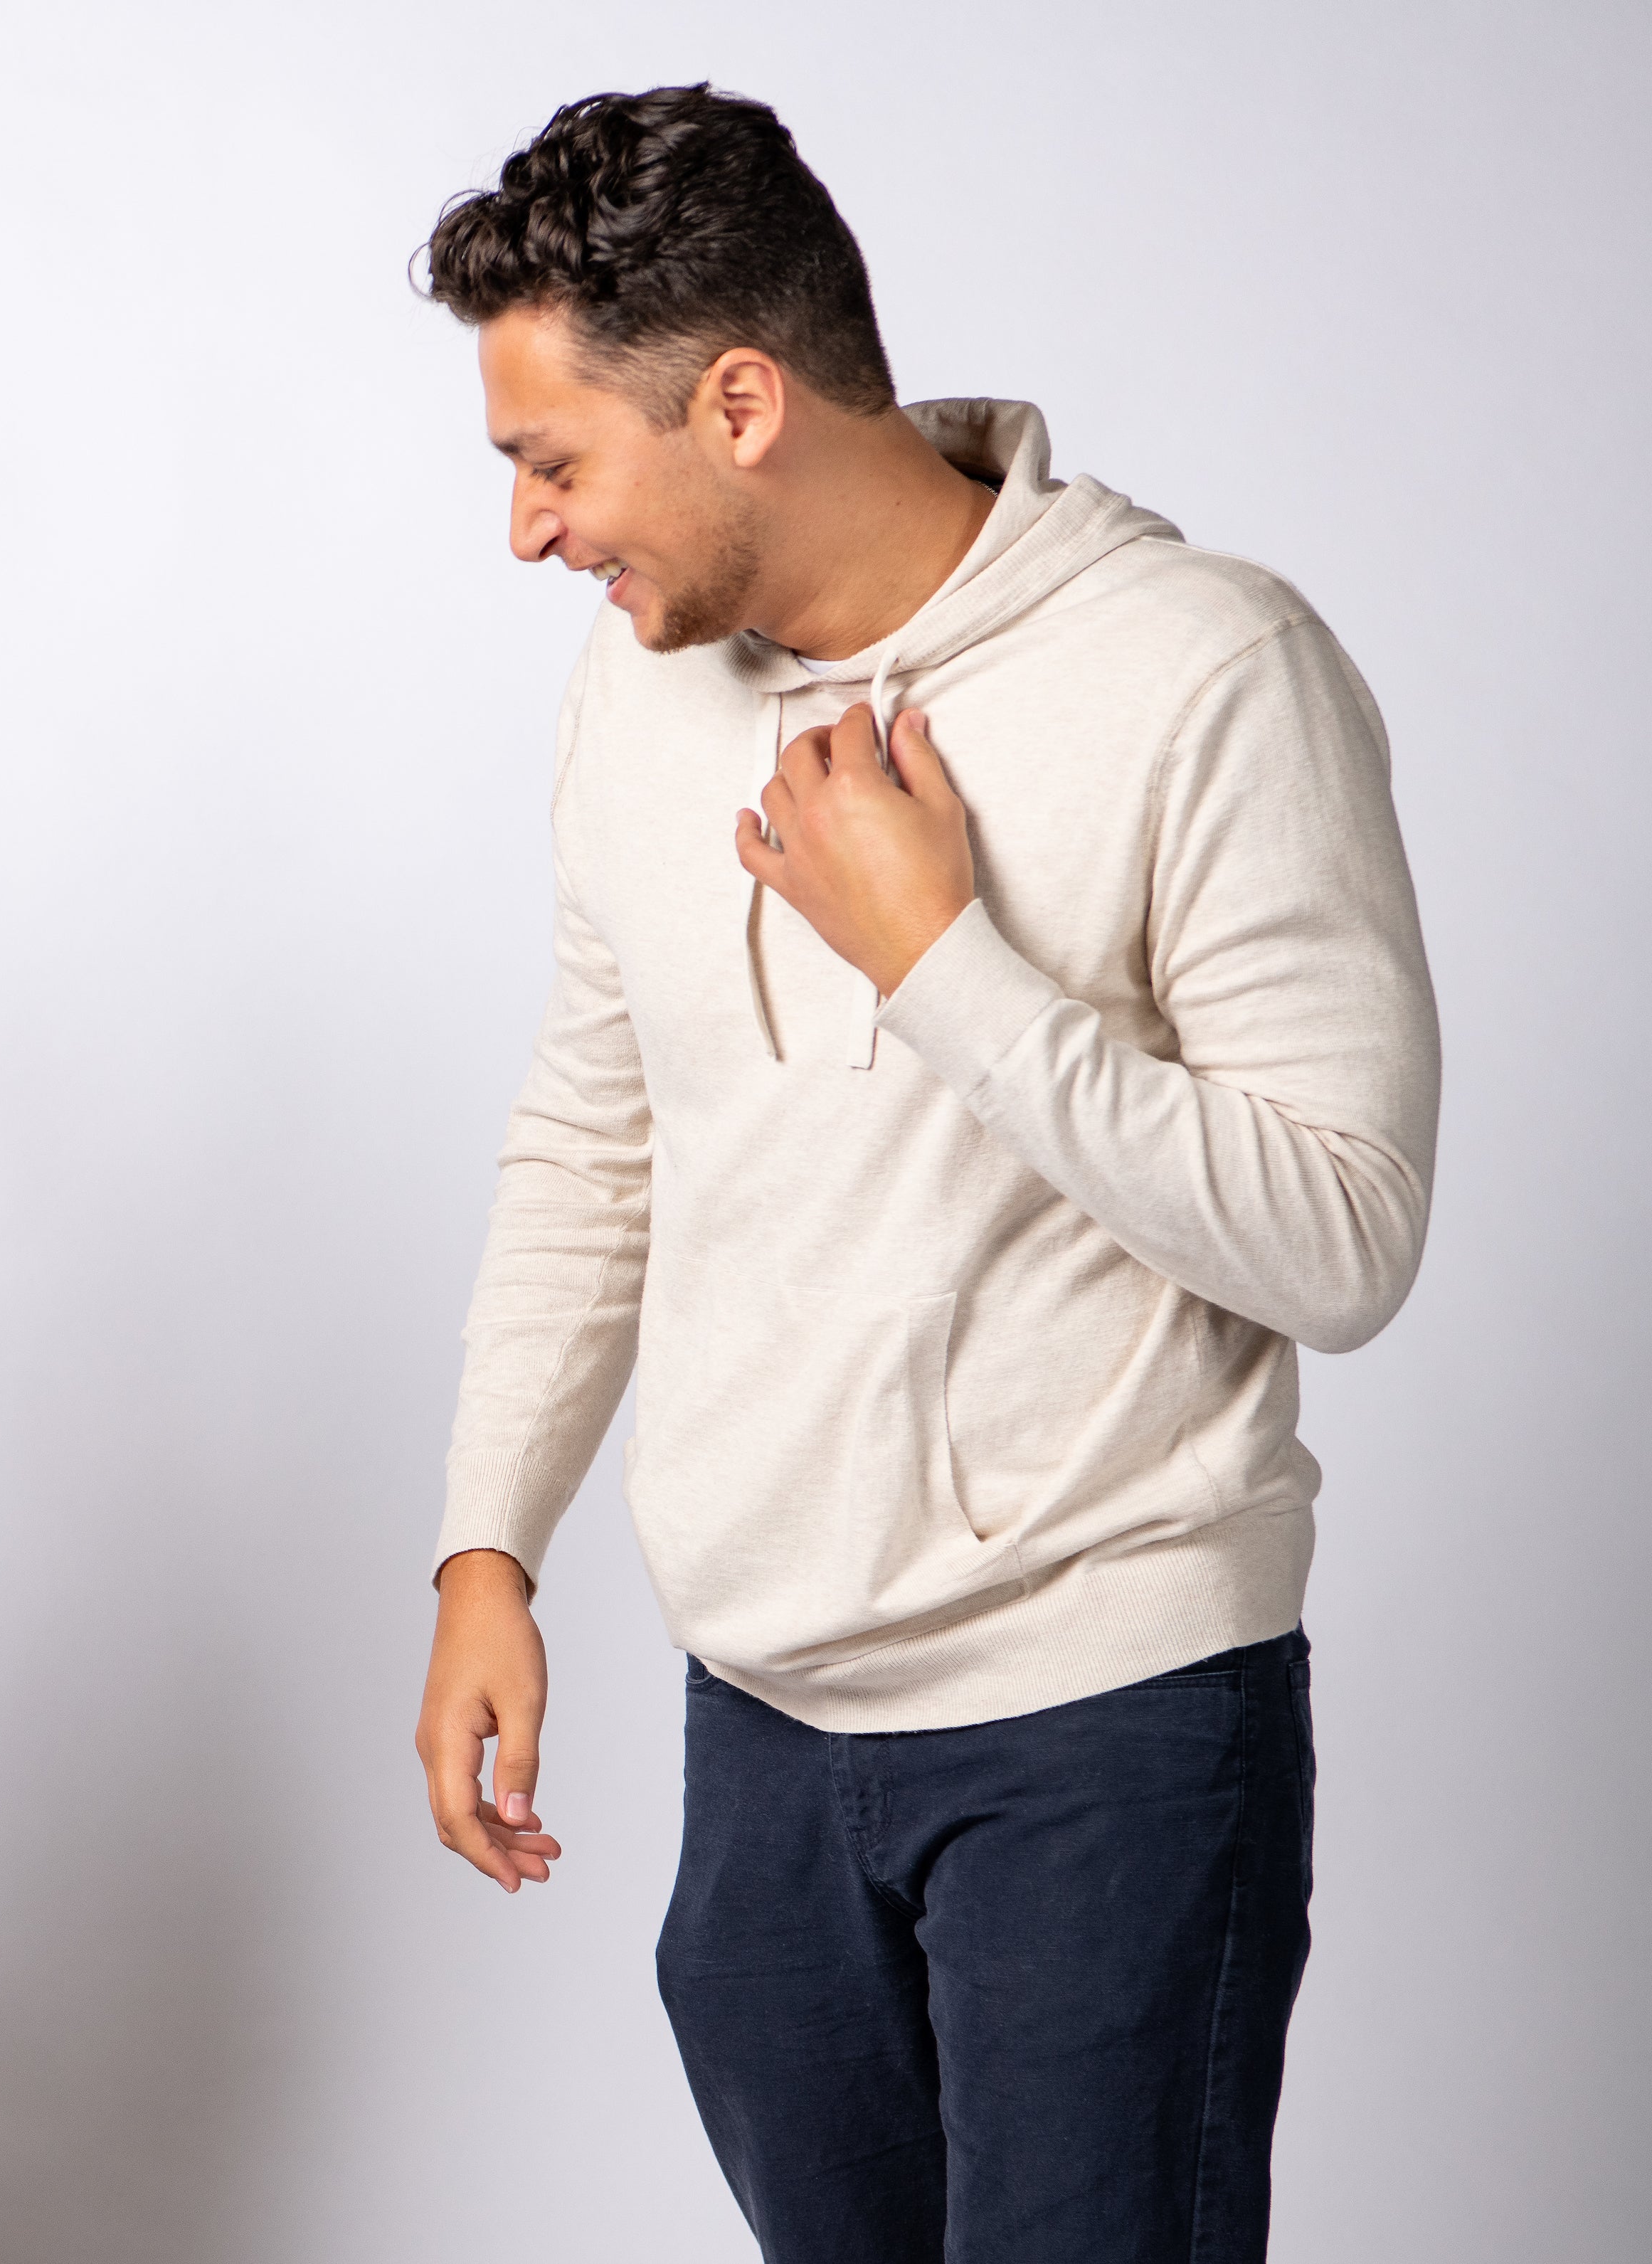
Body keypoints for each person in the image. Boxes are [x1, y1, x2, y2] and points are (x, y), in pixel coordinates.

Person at [406, 85, 1436, 2264]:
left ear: (743, 403)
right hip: (765, 1728)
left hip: (1110, 1724)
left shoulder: (1205, 674)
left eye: (551, 460)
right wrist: (485, 1541)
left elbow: (1347, 1236)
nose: (529, 533)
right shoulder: (635, 688)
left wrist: (945, 968)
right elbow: (598, 1133)